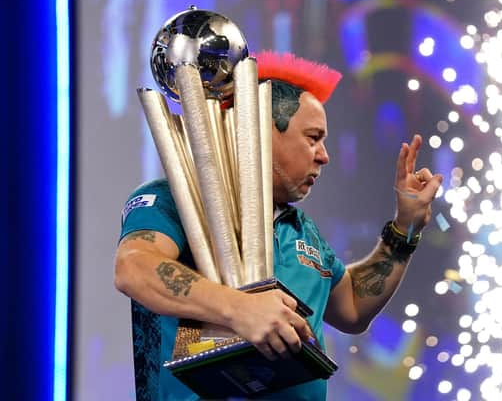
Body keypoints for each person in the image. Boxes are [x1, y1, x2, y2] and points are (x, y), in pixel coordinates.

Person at [114, 51, 443, 400]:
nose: (324, 155)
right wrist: (240, 308)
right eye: (313, 138)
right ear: (261, 131)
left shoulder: (302, 229)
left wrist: (403, 230)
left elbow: (351, 307)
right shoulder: (177, 198)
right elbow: (133, 267)